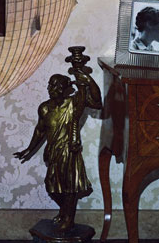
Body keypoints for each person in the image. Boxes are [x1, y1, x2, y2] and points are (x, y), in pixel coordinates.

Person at [14, 50, 103, 232]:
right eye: (49, 85)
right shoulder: (45, 108)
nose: (50, 88)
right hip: (53, 153)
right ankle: (64, 212)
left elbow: (96, 102)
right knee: (52, 187)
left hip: (68, 151)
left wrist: (85, 78)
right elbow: (40, 130)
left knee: (69, 187)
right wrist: (28, 150)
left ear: (64, 88)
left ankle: (68, 218)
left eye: (54, 85)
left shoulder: (73, 103)